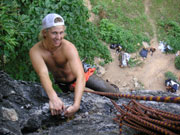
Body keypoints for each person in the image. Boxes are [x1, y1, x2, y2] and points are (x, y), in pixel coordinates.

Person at [29, 13, 119, 117]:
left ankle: (111, 86)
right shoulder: (36, 51)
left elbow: (80, 75)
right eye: (54, 33)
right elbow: (43, 74)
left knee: (114, 95)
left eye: (61, 33)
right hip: (64, 85)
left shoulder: (68, 47)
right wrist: (53, 97)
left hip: (83, 76)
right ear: (45, 32)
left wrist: (76, 105)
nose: (59, 37)